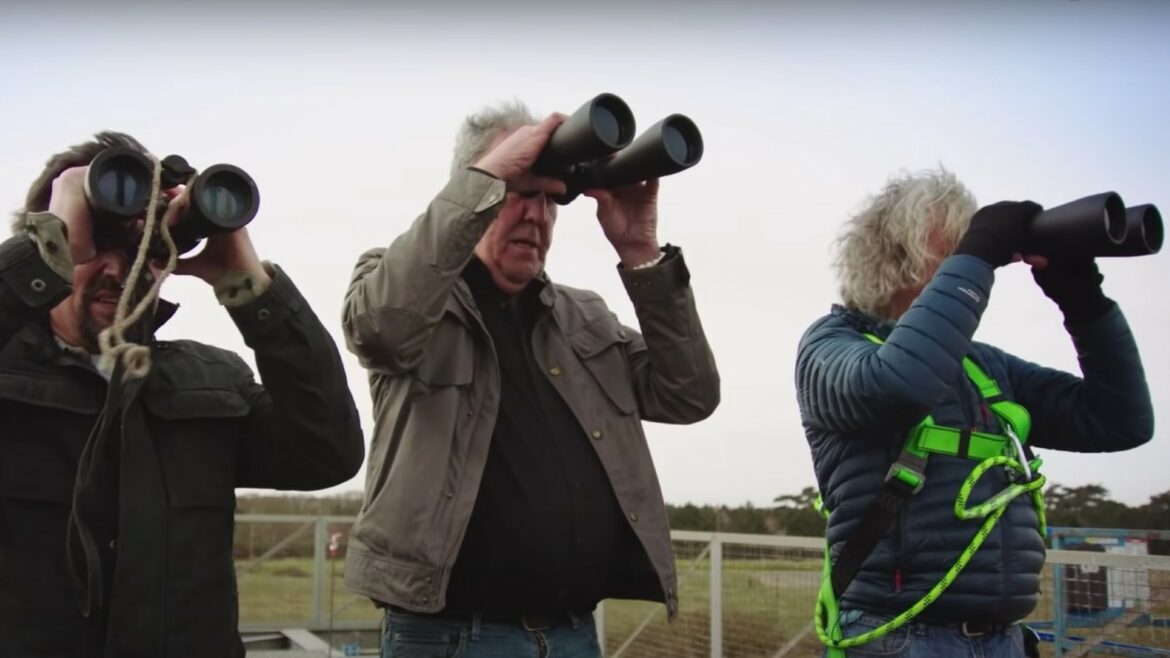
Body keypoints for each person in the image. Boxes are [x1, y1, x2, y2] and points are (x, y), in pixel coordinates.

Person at [341, 100, 721, 657]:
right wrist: (488, 176)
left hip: (572, 634)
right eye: (519, 192)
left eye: (550, 199)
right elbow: (379, 330)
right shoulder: (406, 292)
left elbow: (688, 394)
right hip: (450, 636)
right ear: (474, 190)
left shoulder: (582, 317)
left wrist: (640, 250)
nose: (537, 215)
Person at [0, 131, 366, 658]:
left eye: (142, 250)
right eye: (93, 245)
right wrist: (42, 255)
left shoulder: (212, 379)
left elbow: (327, 453)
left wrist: (252, 289)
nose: (117, 270)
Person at [795, 168, 1155, 658]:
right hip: (898, 638)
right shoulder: (831, 345)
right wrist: (981, 252)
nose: (967, 256)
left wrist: (1084, 302)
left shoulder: (985, 368)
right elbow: (897, 385)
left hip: (1003, 639)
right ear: (895, 253)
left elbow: (1120, 420)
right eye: (954, 244)